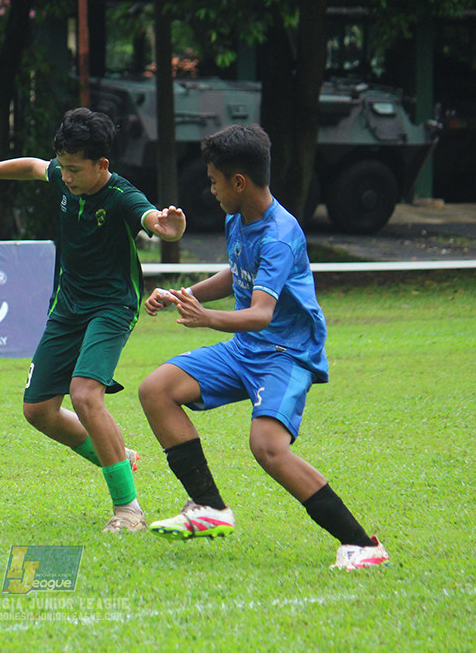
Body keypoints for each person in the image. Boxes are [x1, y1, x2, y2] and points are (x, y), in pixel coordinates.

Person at [138, 124, 388, 570]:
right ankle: (209, 508)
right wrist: (184, 295)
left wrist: (205, 317)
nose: (210, 189)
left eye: (214, 180)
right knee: (157, 389)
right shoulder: (239, 217)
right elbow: (237, 274)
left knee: (268, 448)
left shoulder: (279, 234)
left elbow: (261, 313)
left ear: (239, 182)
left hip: (286, 353)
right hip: (246, 346)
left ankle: (363, 545)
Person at [0, 107, 186, 533]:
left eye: (73, 170)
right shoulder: (63, 177)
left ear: (101, 165)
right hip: (68, 307)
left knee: (84, 395)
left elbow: (155, 221)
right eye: (62, 167)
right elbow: (32, 166)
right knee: (38, 411)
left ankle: (128, 511)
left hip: (111, 307)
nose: (64, 177)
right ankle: (118, 456)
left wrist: (169, 226)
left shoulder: (121, 195)